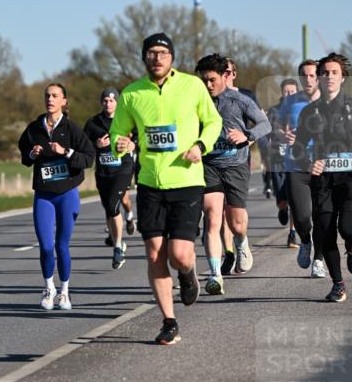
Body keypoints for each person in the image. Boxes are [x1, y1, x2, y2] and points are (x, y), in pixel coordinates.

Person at [110, 32, 222, 344]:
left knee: (180, 255)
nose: (157, 58)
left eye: (162, 52)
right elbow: (118, 133)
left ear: (172, 57)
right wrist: (121, 145)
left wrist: (201, 144)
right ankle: (168, 320)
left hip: (186, 181)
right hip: (149, 183)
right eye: (151, 53)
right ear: (144, 57)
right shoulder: (132, 94)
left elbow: (213, 122)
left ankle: (188, 275)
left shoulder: (192, 86)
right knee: (154, 253)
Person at [294, 52, 352, 303]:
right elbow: (297, 147)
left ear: (342, 78)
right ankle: (338, 284)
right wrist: (309, 163)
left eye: (334, 72)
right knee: (326, 232)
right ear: (318, 77)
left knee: (347, 228)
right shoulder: (309, 112)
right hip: (324, 181)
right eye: (324, 72)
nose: (328, 76)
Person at [194, 54, 271, 293]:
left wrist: (246, 136)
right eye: (204, 80)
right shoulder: (196, 102)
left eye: (212, 80)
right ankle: (215, 274)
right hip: (209, 166)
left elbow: (264, 125)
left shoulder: (240, 100)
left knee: (236, 223)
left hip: (236, 165)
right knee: (212, 219)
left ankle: (241, 242)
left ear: (224, 77)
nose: (208, 85)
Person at [18, 83, 95, 310]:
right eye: (47, 96)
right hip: (43, 195)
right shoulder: (34, 128)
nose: (50, 99)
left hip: (67, 193)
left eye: (55, 96)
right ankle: (48, 288)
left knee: (62, 245)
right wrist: (31, 154)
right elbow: (24, 154)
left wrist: (65, 152)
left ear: (64, 101)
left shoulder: (71, 129)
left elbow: (88, 158)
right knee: (45, 245)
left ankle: (64, 292)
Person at [274, 61, 326, 278]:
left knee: (322, 216)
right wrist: (282, 134)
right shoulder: (290, 102)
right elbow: (275, 125)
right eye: (304, 75)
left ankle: (319, 259)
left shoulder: (328, 102)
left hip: (323, 166)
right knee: (303, 217)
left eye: (313, 75)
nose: (308, 79)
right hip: (296, 165)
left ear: (319, 77)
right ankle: (305, 241)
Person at [83, 88, 135, 270]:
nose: (108, 103)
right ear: (101, 102)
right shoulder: (92, 123)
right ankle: (118, 242)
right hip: (103, 172)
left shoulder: (127, 119)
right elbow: (83, 145)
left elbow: (139, 136)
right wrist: (96, 145)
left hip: (123, 169)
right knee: (108, 208)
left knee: (114, 203)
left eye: (112, 100)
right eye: (105, 100)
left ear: (118, 102)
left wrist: (132, 143)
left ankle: (118, 246)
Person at [268, 78, 300, 248]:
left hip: (295, 159)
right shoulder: (274, 110)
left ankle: (292, 234)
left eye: (292, 91)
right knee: (282, 198)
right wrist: (282, 133)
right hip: (278, 160)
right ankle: (282, 207)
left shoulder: (301, 109)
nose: (289, 94)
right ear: (281, 93)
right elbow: (270, 129)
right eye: (286, 91)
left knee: (294, 198)